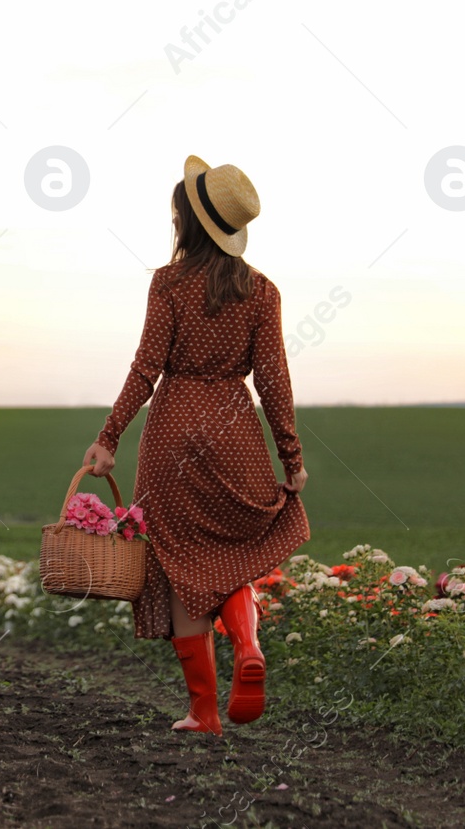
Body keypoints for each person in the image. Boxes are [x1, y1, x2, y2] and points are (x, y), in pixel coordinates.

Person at [81, 155, 309, 735]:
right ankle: (248, 644)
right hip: (235, 432)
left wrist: (108, 439)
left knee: (181, 564)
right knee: (233, 554)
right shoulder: (263, 292)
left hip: (173, 434)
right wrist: (292, 459)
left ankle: (203, 712)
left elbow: (145, 368)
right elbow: (274, 379)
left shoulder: (168, 282)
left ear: (187, 220)